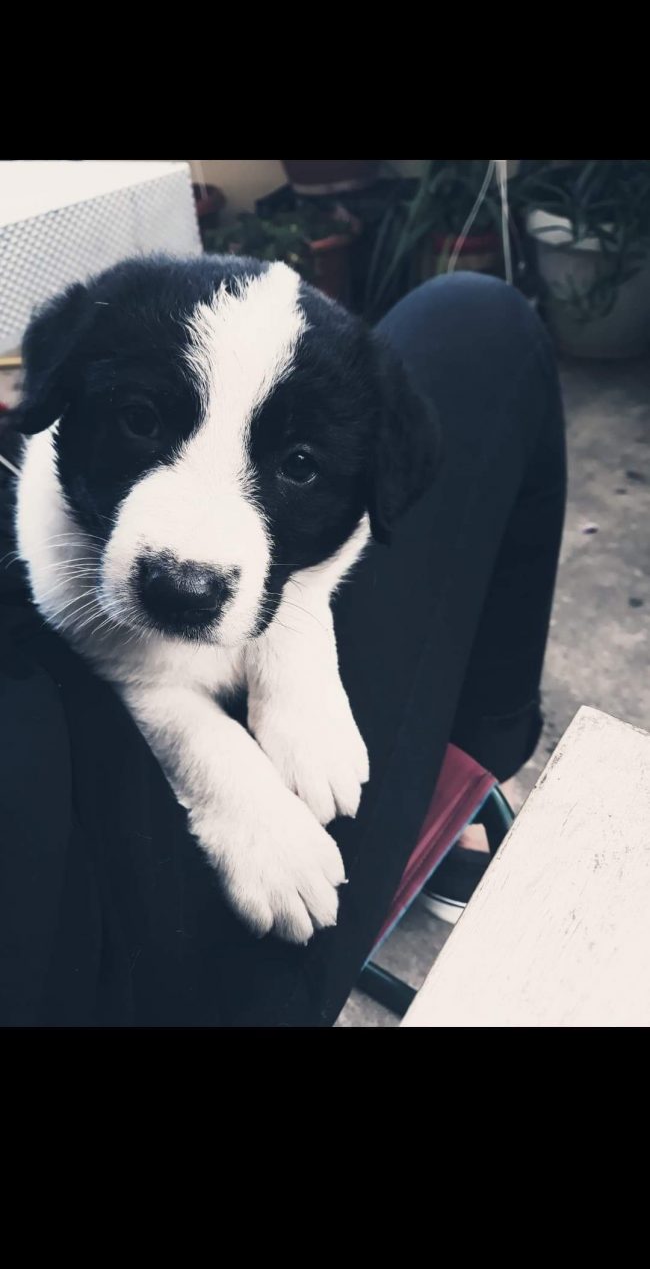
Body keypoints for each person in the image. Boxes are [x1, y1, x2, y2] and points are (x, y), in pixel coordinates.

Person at [0, 272, 566, 1027]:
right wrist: (224, 789)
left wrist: (296, 648)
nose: (190, 557)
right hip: (154, 960)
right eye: (141, 419)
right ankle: (474, 762)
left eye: (298, 465)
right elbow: (126, 671)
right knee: (483, 322)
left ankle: (470, 766)